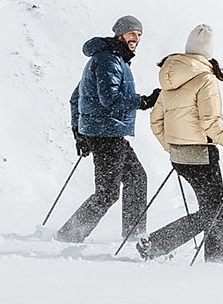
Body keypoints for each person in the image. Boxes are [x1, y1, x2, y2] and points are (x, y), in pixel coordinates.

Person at [135, 24, 223, 263]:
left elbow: (155, 121)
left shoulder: (169, 78)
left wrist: (172, 147)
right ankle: (157, 244)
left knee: (212, 209)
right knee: (213, 211)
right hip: (202, 156)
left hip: (180, 158)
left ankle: (219, 259)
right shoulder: (205, 79)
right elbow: (211, 123)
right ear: (208, 52)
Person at [56, 15, 160, 243]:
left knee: (136, 179)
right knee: (107, 192)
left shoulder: (110, 59)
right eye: (132, 33)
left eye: (139, 34)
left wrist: (79, 132)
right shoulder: (108, 60)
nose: (136, 38)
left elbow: (76, 98)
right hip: (106, 133)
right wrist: (142, 101)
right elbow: (109, 100)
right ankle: (69, 235)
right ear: (120, 34)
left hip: (105, 132)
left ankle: (133, 234)